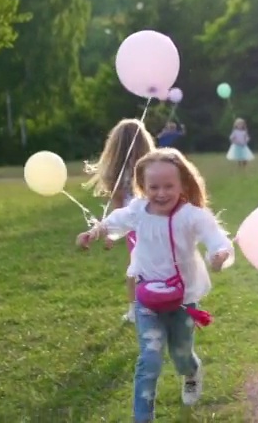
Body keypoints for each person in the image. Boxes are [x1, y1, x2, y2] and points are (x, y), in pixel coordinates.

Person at [76, 148, 233, 420]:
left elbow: (216, 238)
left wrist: (219, 256)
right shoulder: (138, 210)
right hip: (147, 298)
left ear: (182, 183)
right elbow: (114, 221)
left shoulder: (192, 215)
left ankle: (191, 373)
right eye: (154, 187)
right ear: (142, 186)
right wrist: (95, 231)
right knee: (149, 360)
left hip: (183, 300)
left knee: (182, 355)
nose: (161, 193)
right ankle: (142, 417)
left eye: (169, 186)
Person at [81, 118, 157, 323]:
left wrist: (113, 233)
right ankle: (141, 306)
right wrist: (112, 233)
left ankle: (139, 307)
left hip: (138, 223)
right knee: (144, 265)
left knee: (138, 265)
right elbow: (119, 206)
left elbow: (118, 205)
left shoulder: (134, 170)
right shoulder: (144, 167)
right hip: (144, 222)